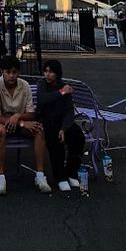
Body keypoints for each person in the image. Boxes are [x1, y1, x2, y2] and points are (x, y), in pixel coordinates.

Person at [0, 54, 51, 195]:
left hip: (20, 121)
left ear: (19, 72)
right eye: (8, 72)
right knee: (0, 131)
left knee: (39, 129)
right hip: (1, 122)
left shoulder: (24, 85)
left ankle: (40, 175)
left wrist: (18, 116)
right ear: (2, 72)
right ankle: (0, 177)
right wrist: (21, 123)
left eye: (14, 72)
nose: (11, 76)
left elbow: (31, 113)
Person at [36, 58, 85, 193]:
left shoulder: (64, 86)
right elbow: (43, 99)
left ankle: (71, 172)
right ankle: (60, 177)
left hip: (61, 121)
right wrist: (61, 92)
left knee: (77, 136)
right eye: (45, 71)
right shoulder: (42, 84)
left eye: (51, 72)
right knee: (55, 141)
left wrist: (64, 128)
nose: (47, 74)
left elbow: (69, 111)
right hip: (47, 120)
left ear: (57, 73)